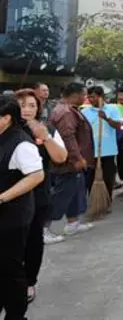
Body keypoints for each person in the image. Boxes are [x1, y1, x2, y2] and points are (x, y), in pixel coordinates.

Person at [16, 89, 67, 304]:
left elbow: (60, 157)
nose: (26, 110)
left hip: (37, 195)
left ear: (39, 108)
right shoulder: (6, 127)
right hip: (8, 195)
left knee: (33, 240)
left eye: (31, 105)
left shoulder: (47, 129)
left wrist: (45, 138)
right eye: (21, 105)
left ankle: (29, 282)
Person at [0, 95, 45, 320]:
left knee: (10, 268)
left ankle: (17, 315)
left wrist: (2, 197)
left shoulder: (21, 144)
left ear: (6, 118)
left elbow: (36, 175)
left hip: (11, 217)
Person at [49, 82, 94, 236]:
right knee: (62, 194)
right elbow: (68, 137)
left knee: (74, 191)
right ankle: (43, 228)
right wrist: (77, 158)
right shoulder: (66, 112)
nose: (85, 98)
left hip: (71, 161)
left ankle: (73, 222)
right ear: (75, 95)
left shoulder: (67, 109)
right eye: (84, 95)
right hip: (68, 162)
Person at [81, 86, 122, 209]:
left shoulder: (112, 109)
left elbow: (118, 126)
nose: (90, 99)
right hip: (91, 151)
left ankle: (107, 201)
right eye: (89, 97)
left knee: (108, 177)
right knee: (91, 177)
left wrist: (106, 118)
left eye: (93, 96)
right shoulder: (84, 112)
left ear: (101, 96)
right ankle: (94, 200)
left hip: (108, 150)